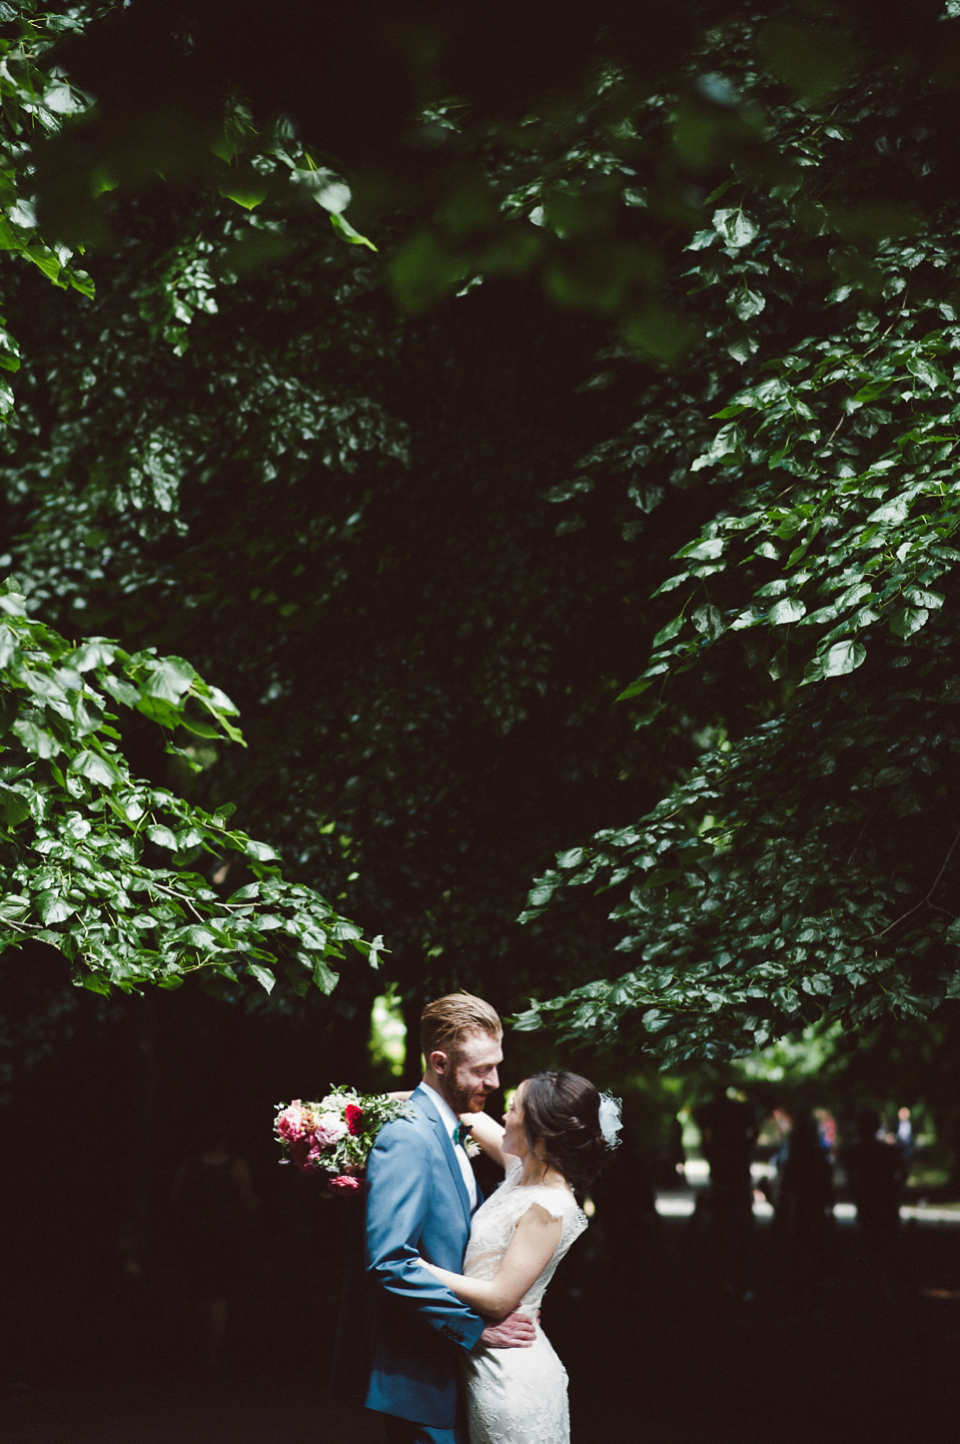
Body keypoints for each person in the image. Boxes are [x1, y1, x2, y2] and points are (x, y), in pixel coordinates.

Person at [360, 993, 537, 1444]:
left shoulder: (449, 1126)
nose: (495, 1081)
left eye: (496, 1065)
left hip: (451, 1370)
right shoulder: (407, 1136)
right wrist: (474, 1329)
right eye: (481, 1069)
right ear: (439, 1062)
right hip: (422, 1374)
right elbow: (390, 1261)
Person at [421, 1070, 614, 1444]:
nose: (503, 1117)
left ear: (539, 1130)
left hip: (511, 1378)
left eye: (512, 1109)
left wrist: (414, 1267)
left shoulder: (550, 1204)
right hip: (483, 1360)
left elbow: (499, 1299)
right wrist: (353, 1112)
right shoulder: (521, 1172)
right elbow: (461, 1114)